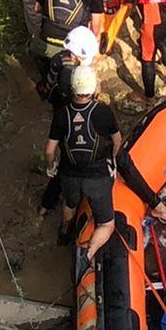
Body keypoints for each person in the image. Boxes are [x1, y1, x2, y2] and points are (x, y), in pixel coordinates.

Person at [45, 66, 120, 261]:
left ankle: (64, 231)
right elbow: (117, 139)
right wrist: (112, 158)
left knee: (69, 204)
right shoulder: (103, 112)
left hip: (70, 174)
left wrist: (50, 166)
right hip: (97, 177)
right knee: (106, 224)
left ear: (72, 87)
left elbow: (50, 149)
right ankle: (88, 254)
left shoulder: (62, 114)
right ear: (93, 87)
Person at [44, 25, 100, 107]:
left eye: (75, 54)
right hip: (62, 98)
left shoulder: (59, 60)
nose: (72, 56)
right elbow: (51, 80)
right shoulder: (59, 60)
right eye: (71, 52)